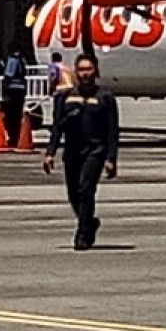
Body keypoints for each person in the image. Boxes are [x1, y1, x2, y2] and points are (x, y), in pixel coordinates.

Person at [42, 54, 120, 251]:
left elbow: (112, 130)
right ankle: (89, 221)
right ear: (76, 72)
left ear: (96, 72)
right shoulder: (65, 97)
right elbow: (57, 126)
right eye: (82, 70)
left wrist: (111, 158)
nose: (85, 74)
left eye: (89, 70)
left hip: (95, 150)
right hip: (72, 150)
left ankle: (83, 233)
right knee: (73, 193)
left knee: (86, 189)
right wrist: (50, 152)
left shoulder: (105, 98)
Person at [0, 47, 28, 148]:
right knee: (17, 115)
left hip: (13, 90)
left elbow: (9, 74)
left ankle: (13, 138)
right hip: (21, 89)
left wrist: (4, 92)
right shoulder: (22, 60)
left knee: (11, 116)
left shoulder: (12, 60)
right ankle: (16, 137)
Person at [48, 51, 75, 123]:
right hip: (70, 88)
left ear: (52, 59)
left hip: (60, 89)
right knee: (65, 108)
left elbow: (54, 77)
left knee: (57, 110)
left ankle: (57, 126)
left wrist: (51, 88)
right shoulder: (67, 67)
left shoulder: (54, 66)